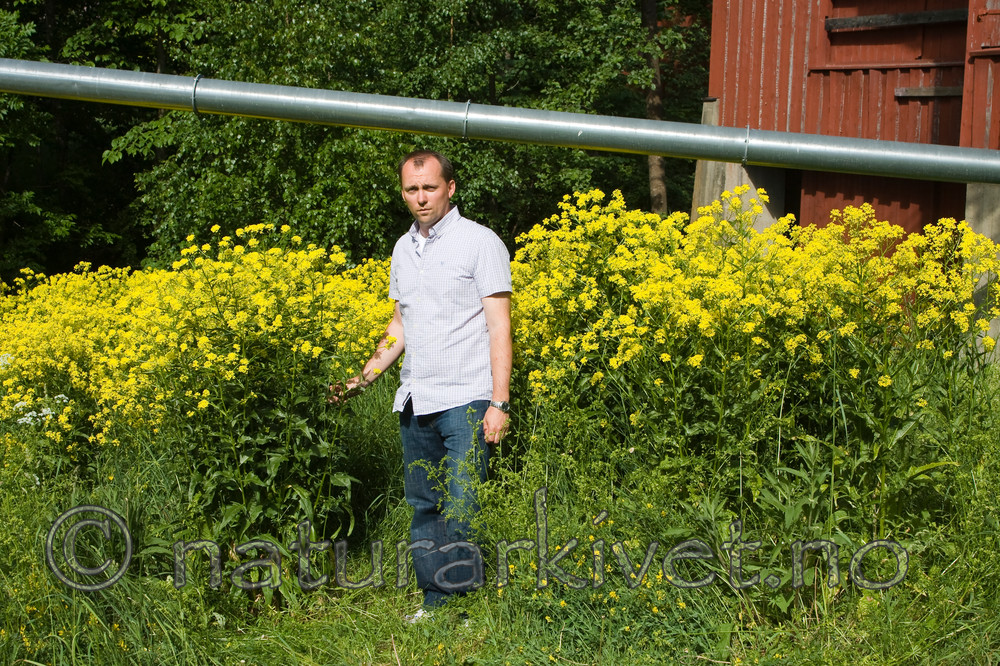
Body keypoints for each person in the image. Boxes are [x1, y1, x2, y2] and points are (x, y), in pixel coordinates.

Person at [331, 149, 512, 614]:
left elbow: (499, 326)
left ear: (450, 188)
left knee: (463, 504)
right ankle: (436, 602)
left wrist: (500, 402)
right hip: (415, 397)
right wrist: (363, 378)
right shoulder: (401, 248)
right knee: (424, 506)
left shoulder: (480, 242)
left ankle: (467, 605)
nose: (421, 198)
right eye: (412, 189)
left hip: (467, 398)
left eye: (429, 187)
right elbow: (400, 325)